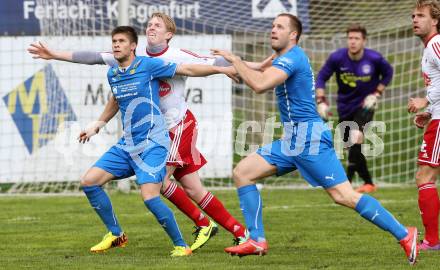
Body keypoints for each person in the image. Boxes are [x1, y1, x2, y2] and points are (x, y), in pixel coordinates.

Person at [28, 13, 250, 251]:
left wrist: (247, 68)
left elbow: (202, 67)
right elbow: (93, 59)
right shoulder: (132, 58)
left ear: (169, 34)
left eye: (157, 25)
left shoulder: (172, 56)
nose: (151, 27)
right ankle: (240, 232)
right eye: (149, 24)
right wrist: (54, 55)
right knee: (193, 188)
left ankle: (202, 225)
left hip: (176, 126)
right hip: (147, 134)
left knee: (160, 182)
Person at [212, 13, 418, 264]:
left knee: (344, 196)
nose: (273, 30)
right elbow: (257, 68)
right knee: (243, 172)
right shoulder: (282, 57)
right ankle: (257, 240)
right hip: (293, 140)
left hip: (309, 140)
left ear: (293, 35)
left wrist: (234, 59)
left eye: (279, 27)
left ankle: (404, 233)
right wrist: (222, 68)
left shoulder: (293, 58)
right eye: (272, 26)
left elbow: (260, 84)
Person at [315, 24, 393, 193]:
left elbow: (388, 73)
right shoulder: (337, 58)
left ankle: (346, 183)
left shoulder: (375, 58)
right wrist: (321, 100)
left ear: (364, 41)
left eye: (357, 38)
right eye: (350, 38)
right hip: (344, 106)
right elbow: (321, 77)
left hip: (365, 104)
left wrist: (377, 93)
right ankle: (368, 182)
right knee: (351, 145)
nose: (353, 42)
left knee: (356, 136)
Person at [408, 0, 440, 251]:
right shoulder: (429, 48)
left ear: (435, 20)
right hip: (437, 117)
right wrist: (429, 111)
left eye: (420, 15)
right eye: (413, 16)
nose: (415, 19)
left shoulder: (436, 44)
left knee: (424, 175)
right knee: (425, 175)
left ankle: (432, 241)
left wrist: (426, 100)